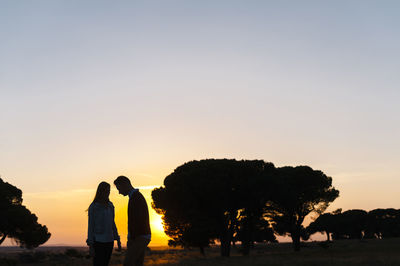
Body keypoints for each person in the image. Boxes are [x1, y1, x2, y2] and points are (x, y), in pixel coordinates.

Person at [114, 176, 151, 266]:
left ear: (125, 184)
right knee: (137, 263)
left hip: (139, 237)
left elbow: (139, 219)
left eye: (119, 189)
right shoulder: (135, 197)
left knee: (128, 263)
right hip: (140, 236)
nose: (119, 192)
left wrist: (132, 238)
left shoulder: (136, 197)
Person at [87, 181, 122, 266]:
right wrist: (91, 245)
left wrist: (117, 239)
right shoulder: (94, 207)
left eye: (109, 191)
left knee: (105, 263)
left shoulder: (111, 206)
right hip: (98, 241)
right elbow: (90, 226)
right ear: (100, 191)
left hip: (109, 241)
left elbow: (113, 223)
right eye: (106, 191)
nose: (107, 193)